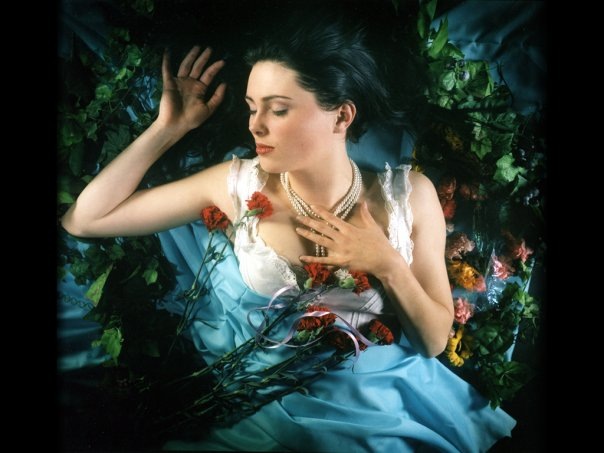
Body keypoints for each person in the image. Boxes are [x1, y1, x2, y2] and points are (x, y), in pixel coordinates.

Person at [61, 6, 516, 452]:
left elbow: (434, 340)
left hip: (374, 409)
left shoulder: (409, 196)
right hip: (260, 407)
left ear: (341, 116)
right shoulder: (235, 185)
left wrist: (387, 264)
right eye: (251, 108)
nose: (255, 126)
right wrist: (167, 127)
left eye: (277, 110)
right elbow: (85, 219)